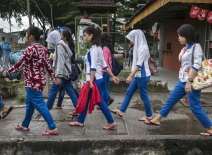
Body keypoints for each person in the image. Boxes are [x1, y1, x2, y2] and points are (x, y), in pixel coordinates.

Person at [144, 24, 212, 136]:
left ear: (187, 35)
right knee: (171, 100)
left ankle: (210, 127)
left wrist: (189, 81)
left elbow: (197, 65)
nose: (178, 37)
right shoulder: (185, 48)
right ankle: (157, 119)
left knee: (194, 107)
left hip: (192, 82)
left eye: (180, 35)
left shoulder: (196, 47)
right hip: (182, 80)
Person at [2, 26, 60, 135]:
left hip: (32, 82)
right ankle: (25, 124)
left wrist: (8, 71)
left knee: (39, 104)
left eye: (26, 34)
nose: (25, 37)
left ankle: (52, 127)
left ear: (31, 36)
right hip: (39, 81)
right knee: (30, 104)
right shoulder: (43, 49)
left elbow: (21, 63)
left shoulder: (30, 49)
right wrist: (54, 78)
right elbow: (48, 65)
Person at [69, 25, 119, 130]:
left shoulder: (94, 49)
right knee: (87, 100)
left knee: (99, 101)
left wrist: (91, 81)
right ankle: (80, 121)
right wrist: (112, 76)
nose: (84, 37)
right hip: (97, 79)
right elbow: (104, 65)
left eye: (85, 35)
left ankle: (111, 122)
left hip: (94, 80)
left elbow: (93, 67)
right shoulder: (99, 48)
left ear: (91, 35)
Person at [110, 30, 152, 121]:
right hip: (138, 75)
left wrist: (130, 76)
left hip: (142, 75)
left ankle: (149, 115)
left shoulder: (143, 48)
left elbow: (139, 64)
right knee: (129, 91)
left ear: (136, 38)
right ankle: (121, 110)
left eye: (131, 39)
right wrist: (133, 74)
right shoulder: (137, 47)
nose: (130, 41)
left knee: (143, 95)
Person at [45, 30, 78, 113]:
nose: (51, 43)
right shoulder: (63, 45)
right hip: (66, 73)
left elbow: (60, 61)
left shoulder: (59, 46)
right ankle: (79, 109)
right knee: (70, 91)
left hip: (61, 73)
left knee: (53, 91)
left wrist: (58, 76)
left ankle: (45, 109)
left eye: (51, 40)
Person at [97, 32, 114, 109]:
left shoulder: (105, 49)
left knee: (104, 88)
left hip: (105, 72)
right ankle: (106, 101)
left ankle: (105, 102)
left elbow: (104, 62)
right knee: (104, 87)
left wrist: (101, 71)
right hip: (107, 71)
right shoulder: (107, 48)